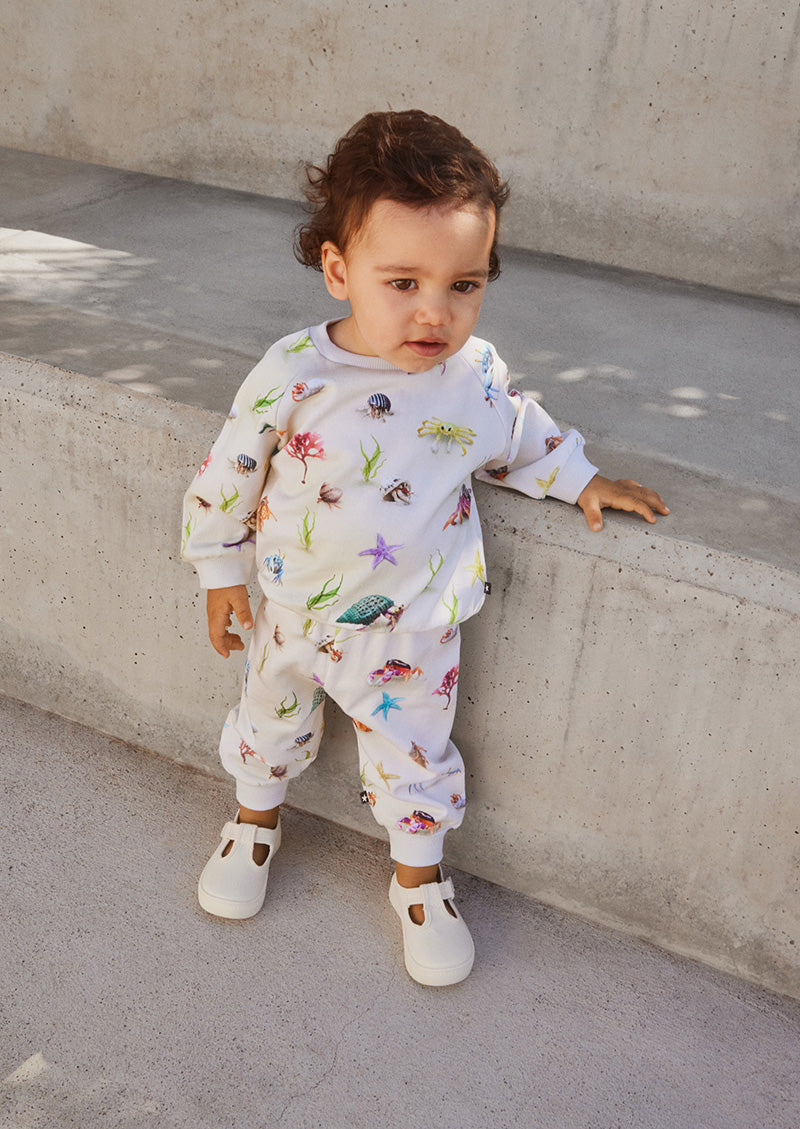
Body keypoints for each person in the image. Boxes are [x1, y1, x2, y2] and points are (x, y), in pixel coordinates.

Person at [181, 109, 668, 987]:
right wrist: (220, 571)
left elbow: (517, 432)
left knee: (416, 755)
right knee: (269, 719)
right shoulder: (295, 373)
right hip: (292, 610)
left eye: (464, 284)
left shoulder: (471, 375)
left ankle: (419, 881)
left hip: (414, 625)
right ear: (339, 270)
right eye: (403, 282)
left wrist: (581, 477)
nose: (435, 312)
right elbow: (232, 470)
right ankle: (254, 821)